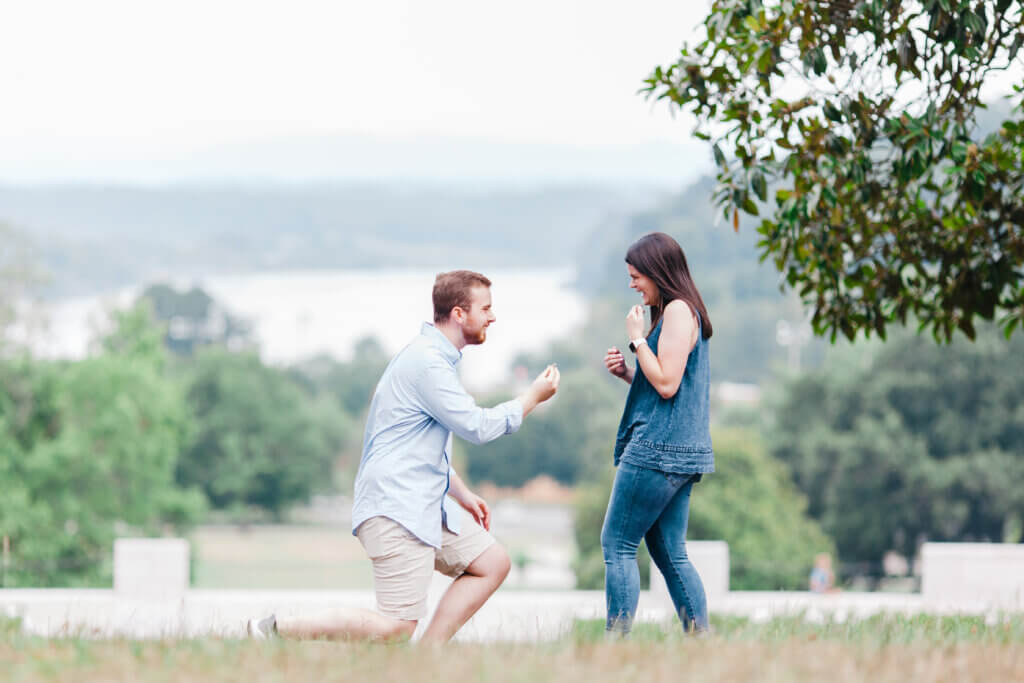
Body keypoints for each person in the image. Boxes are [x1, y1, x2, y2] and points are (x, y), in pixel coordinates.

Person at [247, 270, 560, 643]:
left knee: (492, 562)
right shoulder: (428, 363)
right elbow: (477, 427)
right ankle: (276, 629)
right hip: (397, 507)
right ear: (459, 314)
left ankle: (426, 657)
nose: (493, 317)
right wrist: (531, 398)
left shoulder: (433, 359)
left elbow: (418, 445)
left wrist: (461, 493)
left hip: (423, 502)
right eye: (486, 308)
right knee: (396, 626)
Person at [601, 232, 714, 635]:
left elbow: (666, 384)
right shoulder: (679, 312)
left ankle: (615, 643)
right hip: (681, 452)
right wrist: (629, 373)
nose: (633, 284)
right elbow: (670, 385)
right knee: (669, 552)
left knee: (617, 545)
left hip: (656, 450)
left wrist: (636, 338)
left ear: (657, 272)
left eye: (636, 276)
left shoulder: (679, 312)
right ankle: (702, 640)